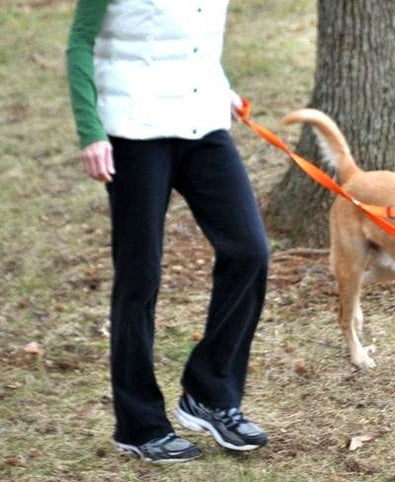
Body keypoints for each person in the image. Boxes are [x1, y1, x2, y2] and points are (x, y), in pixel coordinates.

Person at [66, 0, 270, 463]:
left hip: (203, 124)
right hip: (132, 130)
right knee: (140, 278)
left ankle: (210, 393)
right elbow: (79, 43)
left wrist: (223, 89)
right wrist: (90, 130)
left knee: (250, 252)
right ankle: (139, 426)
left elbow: (195, 41)